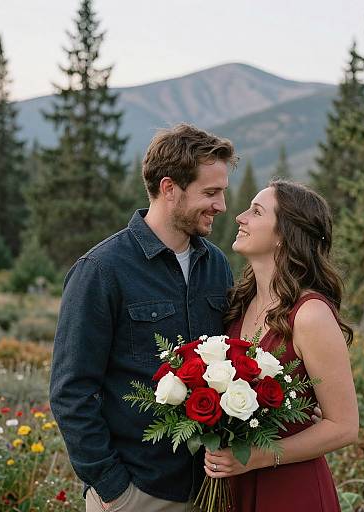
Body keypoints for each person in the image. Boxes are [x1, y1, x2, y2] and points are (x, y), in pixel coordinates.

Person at [49, 123, 238, 511]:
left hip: (209, 489)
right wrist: (112, 488)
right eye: (210, 192)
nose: (221, 205)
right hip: (137, 492)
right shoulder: (102, 270)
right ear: (169, 188)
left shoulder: (216, 265)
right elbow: (71, 391)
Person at [204, 180, 359, 511]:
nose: (240, 217)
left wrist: (253, 459)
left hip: (291, 490)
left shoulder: (310, 315)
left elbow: (344, 427)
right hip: (236, 484)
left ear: (283, 235)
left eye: (256, 211)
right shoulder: (239, 303)